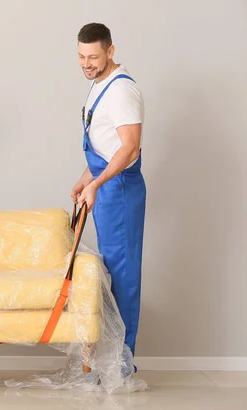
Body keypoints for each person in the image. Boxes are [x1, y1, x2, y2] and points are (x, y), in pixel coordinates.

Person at [71, 23, 146, 370]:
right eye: (82, 56)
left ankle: (121, 364)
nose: (87, 63)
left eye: (94, 57)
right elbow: (106, 143)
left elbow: (129, 148)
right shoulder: (98, 84)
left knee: (123, 275)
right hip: (105, 186)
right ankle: (109, 360)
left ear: (111, 51)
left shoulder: (122, 91)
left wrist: (97, 184)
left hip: (119, 190)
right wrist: (86, 177)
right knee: (110, 272)